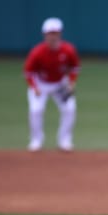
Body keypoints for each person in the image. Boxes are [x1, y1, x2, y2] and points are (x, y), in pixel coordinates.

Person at [23, 17, 81, 152]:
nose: (52, 36)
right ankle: (36, 140)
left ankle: (65, 140)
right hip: (40, 84)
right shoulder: (37, 52)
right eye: (50, 33)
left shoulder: (68, 50)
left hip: (60, 83)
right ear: (44, 35)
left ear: (60, 34)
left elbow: (75, 68)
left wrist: (71, 82)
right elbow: (28, 72)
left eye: (55, 33)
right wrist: (34, 87)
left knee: (69, 109)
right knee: (36, 110)